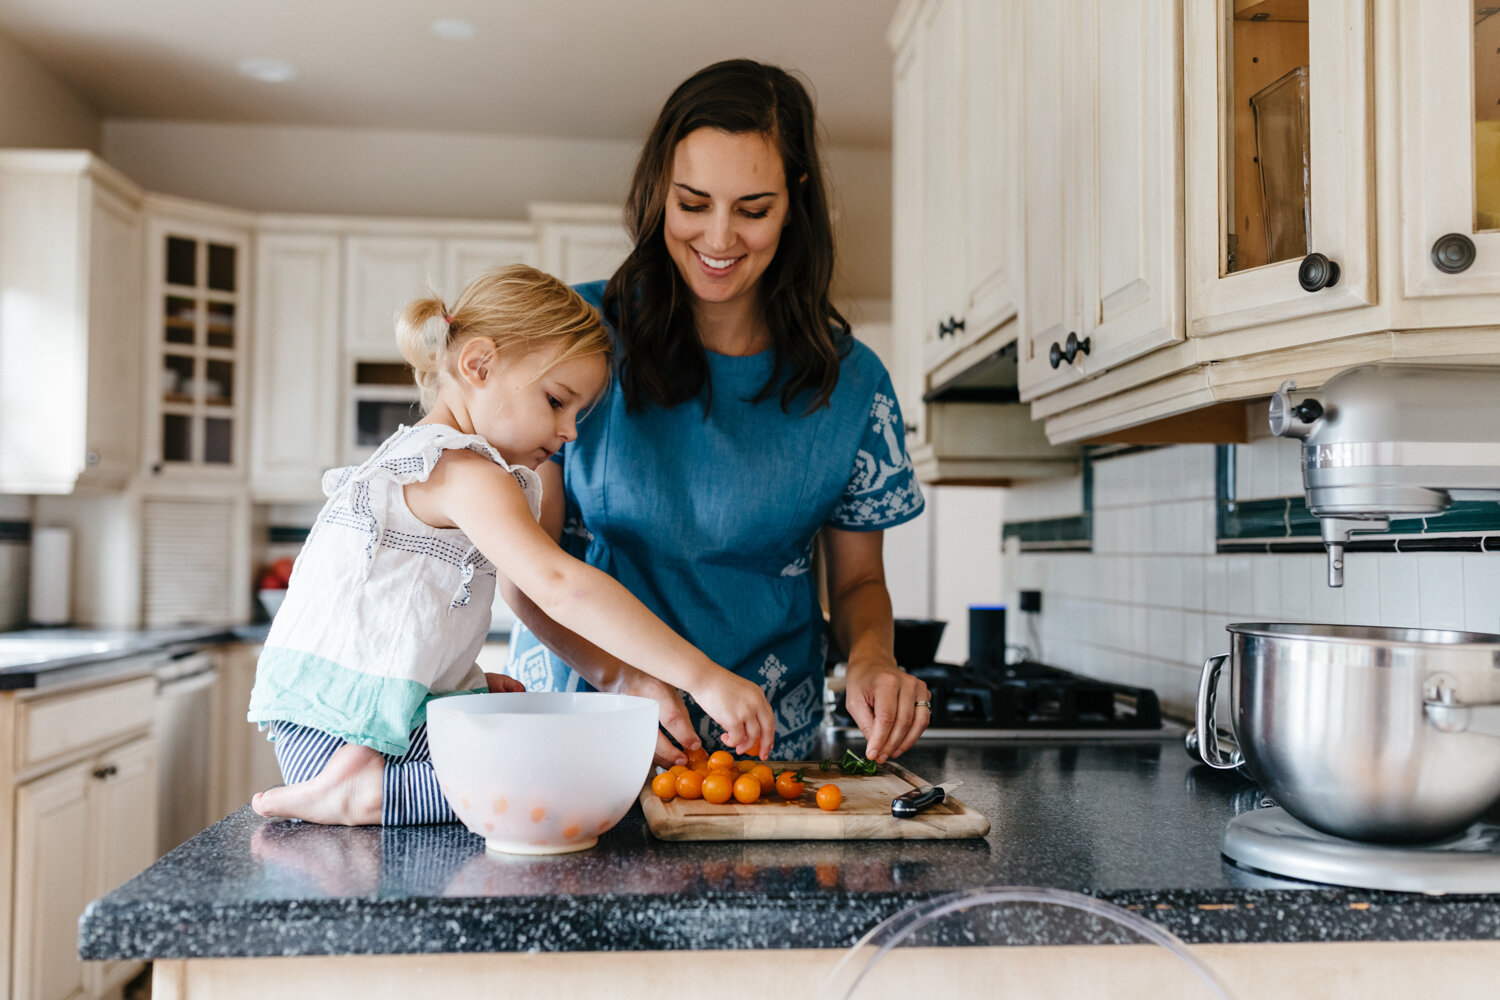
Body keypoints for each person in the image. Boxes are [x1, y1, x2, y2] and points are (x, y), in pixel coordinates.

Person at [503, 59, 932, 767]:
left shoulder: (852, 384)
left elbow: (858, 581)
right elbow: (529, 570)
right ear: (658, 193)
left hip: (768, 751)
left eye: (753, 209)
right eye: (693, 204)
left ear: (795, 201)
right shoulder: (576, 342)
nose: (721, 239)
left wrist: (872, 660)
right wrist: (625, 678)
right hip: (587, 729)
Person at [247, 264, 776, 826]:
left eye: (578, 413)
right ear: (479, 364)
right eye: (556, 401)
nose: (570, 430)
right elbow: (557, 584)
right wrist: (705, 677)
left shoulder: (452, 464)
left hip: (364, 726)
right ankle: (367, 795)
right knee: (556, 778)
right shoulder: (459, 469)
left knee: (557, 753)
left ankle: (371, 785)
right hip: (341, 736)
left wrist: (461, 682)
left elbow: (516, 591)